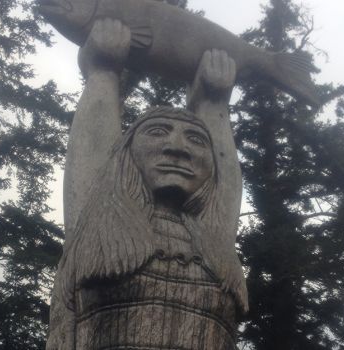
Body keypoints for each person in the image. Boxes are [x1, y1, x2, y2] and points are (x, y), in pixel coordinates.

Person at [47, 18, 247, 350]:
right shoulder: (100, 224)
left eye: (196, 140)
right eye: (157, 133)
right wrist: (103, 73)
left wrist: (213, 104)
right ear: (126, 155)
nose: (178, 148)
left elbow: (224, 190)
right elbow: (92, 156)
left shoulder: (211, 238)